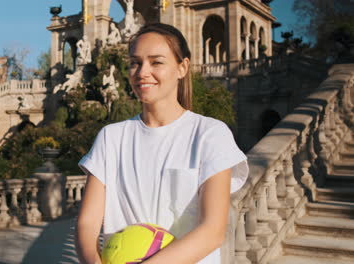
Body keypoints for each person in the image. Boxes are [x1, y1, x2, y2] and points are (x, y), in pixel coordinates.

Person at [76, 23, 248, 264]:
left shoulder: (210, 134)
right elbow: (87, 222)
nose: (142, 72)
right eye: (135, 63)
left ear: (182, 67)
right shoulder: (111, 137)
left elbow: (212, 231)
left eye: (156, 62)